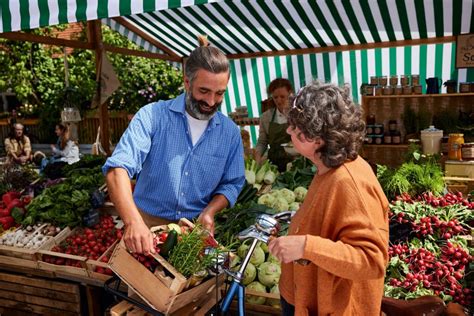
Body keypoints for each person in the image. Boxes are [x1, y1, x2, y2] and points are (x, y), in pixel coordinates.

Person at [103, 36, 246, 255]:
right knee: (145, 288)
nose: (211, 102)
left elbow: (232, 183)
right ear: (187, 83)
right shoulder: (152, 116)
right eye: (204, 91)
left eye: (219, 94)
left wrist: (210, 210)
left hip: (194, 232)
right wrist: (133, 222)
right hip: (146, 230)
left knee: (194, 289)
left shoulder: (229, 133)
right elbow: (117, 170)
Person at [268, 81, 389, 315]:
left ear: (319, 138)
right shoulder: (327, 167)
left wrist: (306, 246)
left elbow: (371, 260)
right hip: (305, 300)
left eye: (296, 128)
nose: (289, 131)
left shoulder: (349, 181)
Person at [254, 78, 294, 172]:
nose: (279, 101)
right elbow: (262, 142)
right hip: (274, 165)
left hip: (295, 163)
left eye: (282, 96)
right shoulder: (265, 117)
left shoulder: (297, 115)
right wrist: (257, 156)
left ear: (290, 94)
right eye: (275, 97)